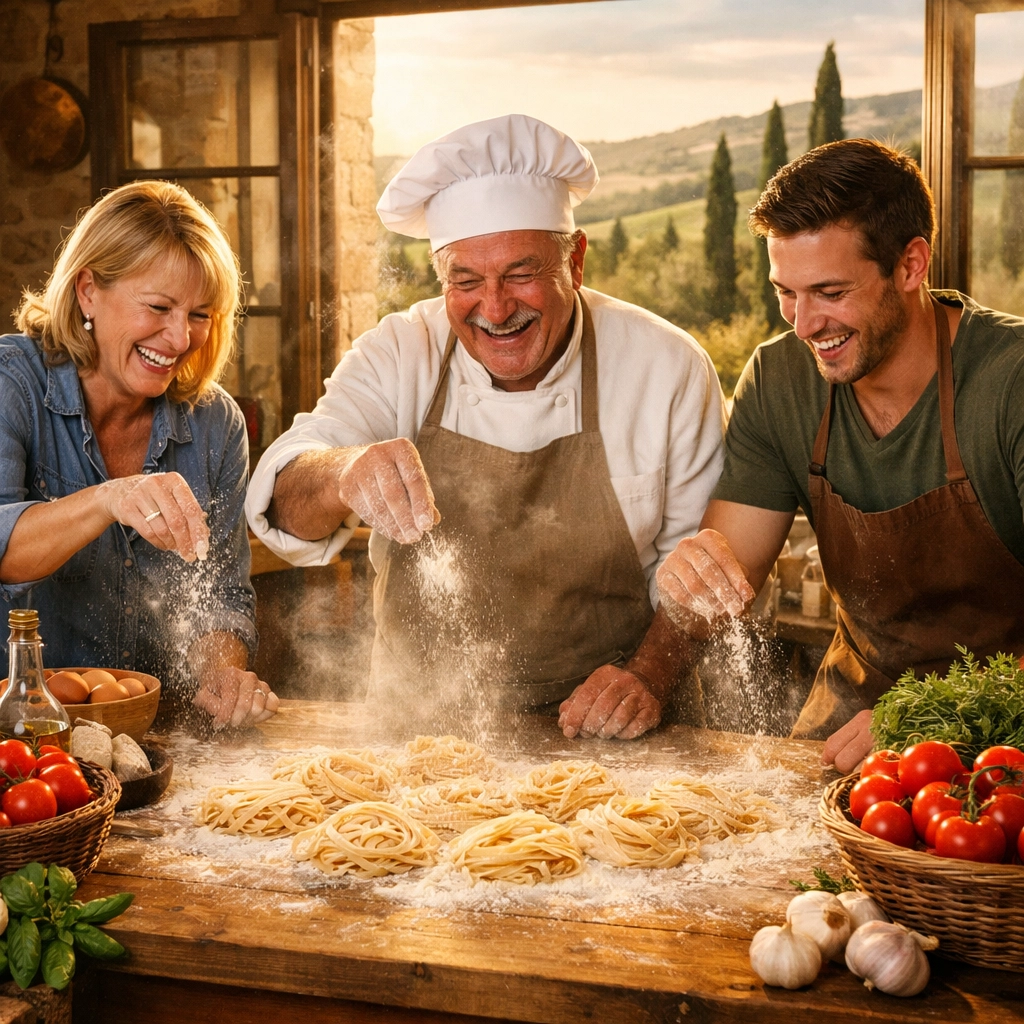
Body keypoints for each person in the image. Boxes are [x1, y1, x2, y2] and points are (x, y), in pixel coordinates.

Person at [246, 114, 725, 739]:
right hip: (419, 732)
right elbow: (285, 498)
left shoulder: (667, 367)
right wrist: (343, 471)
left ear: (576, 260)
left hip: (609, 729)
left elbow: (699, 574)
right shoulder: (401, 352)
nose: (495, 309)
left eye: (521, 274)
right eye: (465, 281)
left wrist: (649, 676)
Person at [657, 139, 1024, 771]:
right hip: (844, 729)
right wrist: (647, 669)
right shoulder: (779, 379)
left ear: (911, 266)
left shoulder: (1011, 381)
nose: (803, 325)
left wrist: (924, 715)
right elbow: (725, 574)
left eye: (829, 292)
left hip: (1007, 736)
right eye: (786, 292)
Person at [0, 180, 279, 731]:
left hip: (159, 733)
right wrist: (110, 498)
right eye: (158, 307)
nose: (180, 339)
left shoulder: (216, 424)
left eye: (200, 314)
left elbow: (220, 598)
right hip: (22, 739)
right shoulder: (13, 384)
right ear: (88, 291)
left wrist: (221, 672)